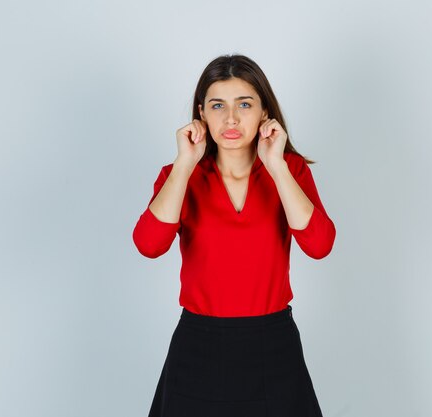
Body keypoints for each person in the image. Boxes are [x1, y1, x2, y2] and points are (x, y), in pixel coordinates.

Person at [132, 54, 336, 417]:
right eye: (217, 105)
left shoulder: (289, 171)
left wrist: (275, 165)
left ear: (264, 113)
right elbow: (149, 245)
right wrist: (184, 163)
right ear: (201, 114)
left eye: (244, 104)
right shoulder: (180, 174)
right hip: (198, 346)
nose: (230, 118)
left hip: (273, 347)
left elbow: (319, 245)